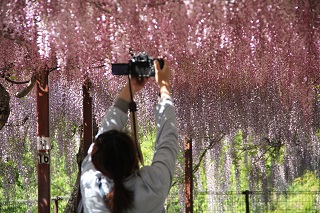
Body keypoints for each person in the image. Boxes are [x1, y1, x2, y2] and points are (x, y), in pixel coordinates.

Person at [80, 59, 178, 213]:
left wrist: (131, 88)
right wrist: (163, 85)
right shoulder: (153, 187)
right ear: (136, 158)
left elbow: (104, 137)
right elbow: (168, 140)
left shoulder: (91, 184)